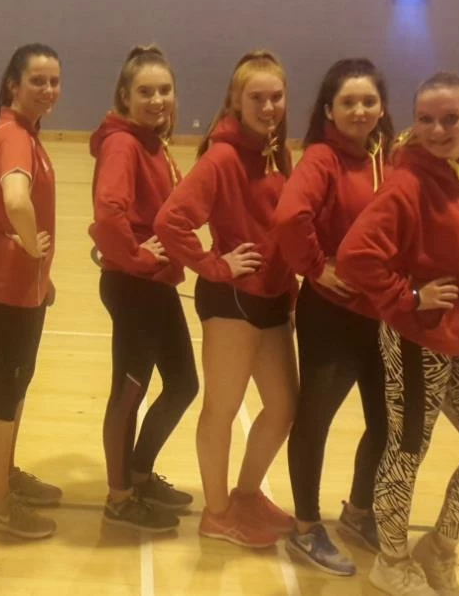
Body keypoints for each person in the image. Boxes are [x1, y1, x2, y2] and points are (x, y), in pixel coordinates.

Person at [338, 72, 459, 596]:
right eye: (426, 120)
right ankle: (391, 561)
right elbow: (355, 256)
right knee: (409, 447)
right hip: (418, 340)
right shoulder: (406, 184)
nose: (438, 130)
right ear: (413, 123)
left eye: (450, 118)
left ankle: (438, 548)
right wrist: (409, 298)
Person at [154, 50, 297, 548]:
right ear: (236, 101)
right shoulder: (222, 156)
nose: (268, 105)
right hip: (233, 301)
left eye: (276, 96)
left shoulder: (275, 149)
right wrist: (215, 265)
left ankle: (248, 493)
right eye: (257, 97)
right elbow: (170, 222)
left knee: (283, 407)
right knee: (222, 407)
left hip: (275, 299)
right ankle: (216, 513)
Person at [274, 58, 395, 575]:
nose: (360, 110)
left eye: (368, 101)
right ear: (328, 109)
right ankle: (305, 529)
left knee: (386, 420)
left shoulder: (387, 159)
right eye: (348, 102)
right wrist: (314, 268)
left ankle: (359, 510)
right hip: (333, 313)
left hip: (382, 313)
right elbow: (288, 217)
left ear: (382, 107)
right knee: (316, 419)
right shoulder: (322, 158)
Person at [91, 45, 198, 533]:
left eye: (164, 90)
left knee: (182, 384)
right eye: (145, 92)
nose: (157, 100)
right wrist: (133, 256)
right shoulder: (123, 144)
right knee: (129, 392)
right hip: (133, 286)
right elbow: (109, 213)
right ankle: (119, 497)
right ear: (124, 96)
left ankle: (138, 472)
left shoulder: (153, 142)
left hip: (156, 285)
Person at [0, 44, 65, 539]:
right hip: (6, 286)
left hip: (23, 286)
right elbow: (15, 199)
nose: (49, 90)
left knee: (17, 383)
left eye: (54, 81)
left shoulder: (26, 132)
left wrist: (42, 276)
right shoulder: (13, 135)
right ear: (13, 85)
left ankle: (4, 474)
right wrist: (30, 247)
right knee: (5, 390)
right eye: (37, 81)